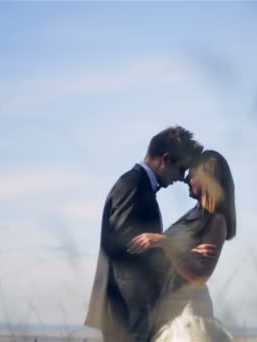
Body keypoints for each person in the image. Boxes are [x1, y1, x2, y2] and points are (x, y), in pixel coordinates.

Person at [85, 126, 203, 342]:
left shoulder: (140, 186)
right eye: (181, 169)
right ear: (166, 159)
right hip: (128, 314)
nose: (181, 178)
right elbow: (124, 250)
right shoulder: (134, 185)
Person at [127, 150, 236, 341]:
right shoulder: (193, 215)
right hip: (169, 308)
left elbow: (200, 275)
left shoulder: (216, 220)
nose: (186, 179)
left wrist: (165, 243)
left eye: (192, 174)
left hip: (188, 313)